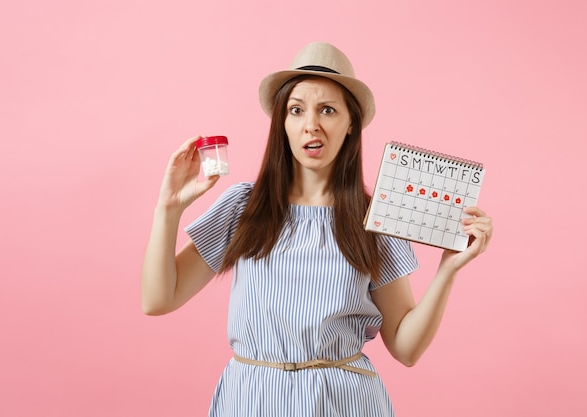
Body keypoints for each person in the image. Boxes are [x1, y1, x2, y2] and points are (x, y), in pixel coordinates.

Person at [141, 42, 493, 416]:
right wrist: (168, 209)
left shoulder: (375, 219)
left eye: (328, 109)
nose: (312, 124)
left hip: (344, 403)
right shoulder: (244, 206)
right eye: (296, 110)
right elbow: (158, 299)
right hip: (252, 400)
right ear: (283, 123)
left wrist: (448, 270)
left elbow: (405, 349)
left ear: (351, 124)